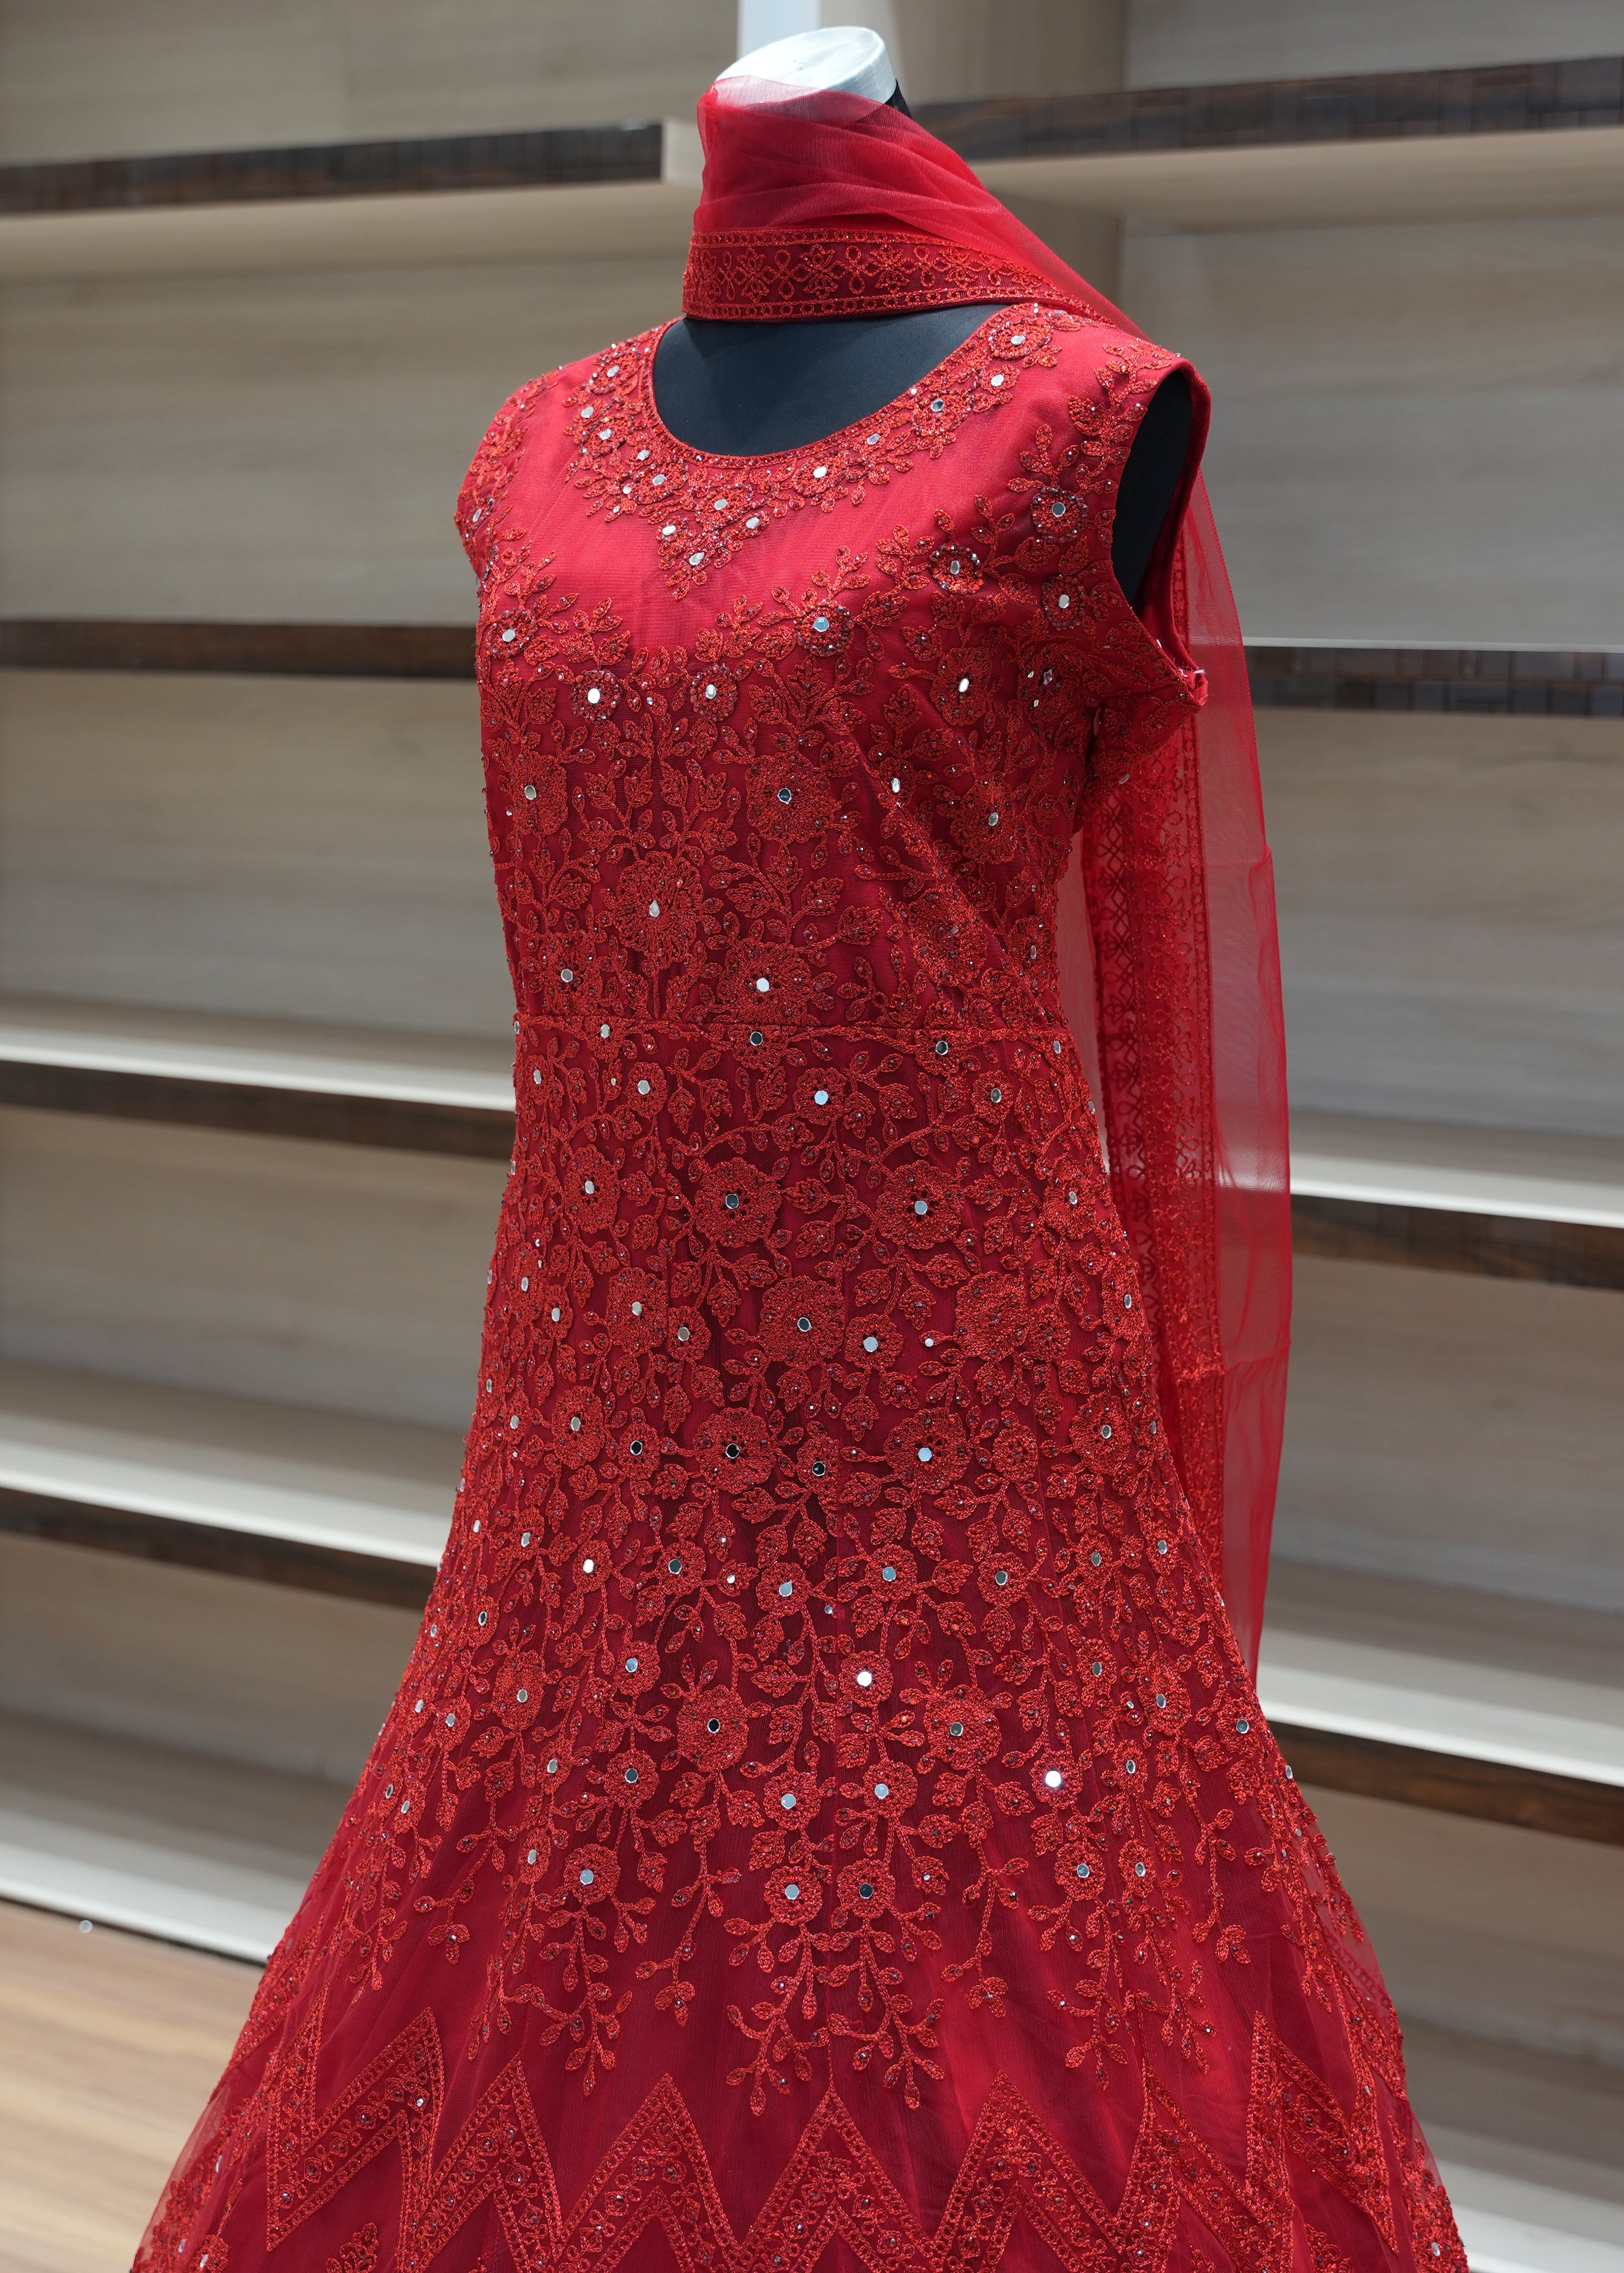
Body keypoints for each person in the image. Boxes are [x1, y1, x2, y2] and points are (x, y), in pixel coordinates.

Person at [138, 33, 1462, 2273]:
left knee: (994, 1971)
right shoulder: (535, 442)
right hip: (604, 1359)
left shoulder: (1080, 415)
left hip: (954, 1373)